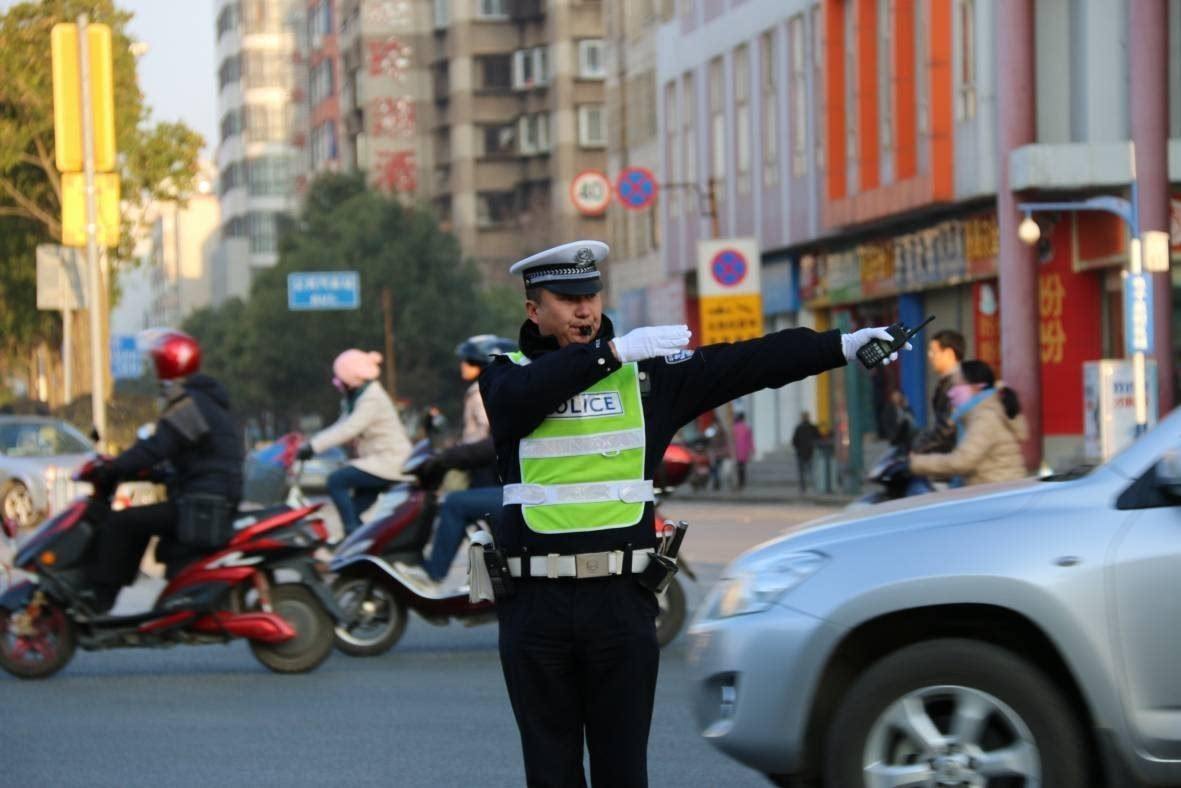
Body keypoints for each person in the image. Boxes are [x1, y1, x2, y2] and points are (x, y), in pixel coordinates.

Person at [479, 240, 911, 787]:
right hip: (534, 606)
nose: (585, 310)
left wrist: (843, 345)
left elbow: (748, 362)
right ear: (533, 310)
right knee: (550, 772)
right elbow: (522, 396)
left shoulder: (648, 378)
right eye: (567, 300)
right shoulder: (504, 375)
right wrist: (610, 354)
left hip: (620, 605)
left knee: (624, 772)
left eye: (590, 295)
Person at [87, 330, 244, 612]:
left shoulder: (189, 404)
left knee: (124, 523)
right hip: (209, 495)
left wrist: (115, 466)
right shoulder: (205, 400)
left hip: (202, 501)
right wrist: (155, 474)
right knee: (141, 521)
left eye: (157, 362)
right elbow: (193, 457)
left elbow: (157, 446)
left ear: (170, 363)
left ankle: (100, 600)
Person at [396, 335, 516, 589]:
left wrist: (449, 458)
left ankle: (433, 574)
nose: (463, 364)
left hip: (502, 480)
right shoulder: (490, 388)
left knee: (454, 505)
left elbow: (491, 440)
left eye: (469, 359)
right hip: (488, 473)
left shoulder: (488, 390)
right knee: (457, 508)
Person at [298, 350, 411, 537]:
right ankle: (363, 543)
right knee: (353, 510)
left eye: (339, 380)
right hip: (379, 463)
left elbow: (349, 428)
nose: (338, 384)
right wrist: (310, 443)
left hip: (390, 462)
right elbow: (341, 425)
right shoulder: (359, 397)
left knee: (336, 481)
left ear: (351, 378)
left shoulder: (371, 398)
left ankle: (351, 535)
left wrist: (313, 447)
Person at [909, 360, 1028, 486]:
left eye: (956, 385)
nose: (950, 393)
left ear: (977, 387)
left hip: (996, 493)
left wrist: (915, 463)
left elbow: (962, 461)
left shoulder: (985, 417)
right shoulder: (980, 412)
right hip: (994, 489)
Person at [911, 328, 965, 454]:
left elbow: (947, 429)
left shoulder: (958, 385)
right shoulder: (947, 382)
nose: (930, 356)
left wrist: (919, 448)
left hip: (957, 457)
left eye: (933, 351)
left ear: (949, 353)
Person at [791, 412, 821, 494]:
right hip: (810, 452)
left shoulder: (799, 428)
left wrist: (798, 448)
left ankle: (804, 488)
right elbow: (819, 438)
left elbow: (794, 441)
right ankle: (814, 487)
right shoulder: (812, 427)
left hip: (801, 453)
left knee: (803, 473)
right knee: (811, 471)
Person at [731, 412, 753, 490]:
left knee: (738, 467)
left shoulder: (734, 428)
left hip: (736, 451)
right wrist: (752, 450)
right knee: (743, 467)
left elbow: (732, 440)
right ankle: (742, 482)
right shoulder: (747, 428)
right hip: (744, 451)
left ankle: (739, 483)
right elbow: (750, 441)